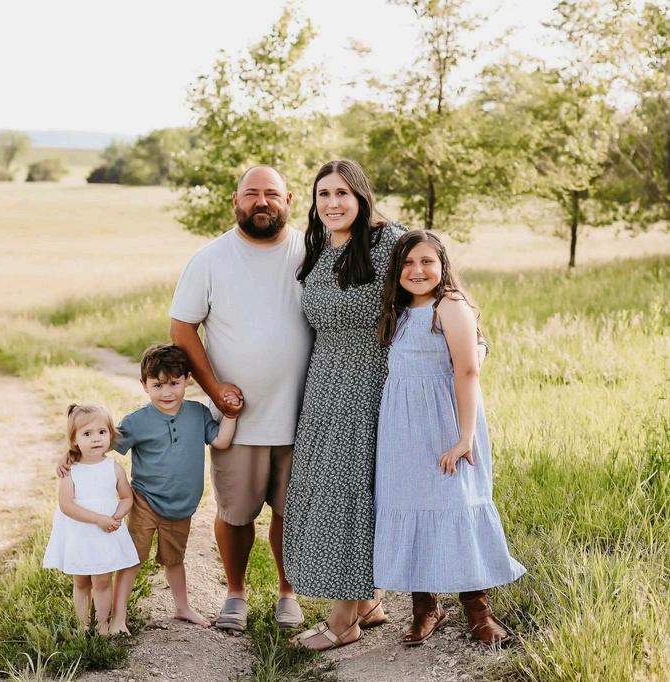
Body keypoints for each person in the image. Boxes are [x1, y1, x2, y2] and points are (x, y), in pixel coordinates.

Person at [170, 165, 313, 632]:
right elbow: (182, 329)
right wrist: (215, 390)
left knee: (292, 512)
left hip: (305, 413)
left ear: (289, 200)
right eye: (251, 193)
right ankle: (235, 593)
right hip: (239, 419)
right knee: (235, 513)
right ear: (236, 201)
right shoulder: (210, 259)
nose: (261, 202)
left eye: (271, 193)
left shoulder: (313, 253)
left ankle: (288, 593)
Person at [374, 230, 525, 646]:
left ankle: (479, 612)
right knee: (412, 506)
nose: (417, 270)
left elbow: (468, 369)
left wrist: (465, 437)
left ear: (443, 266)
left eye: (427, 261)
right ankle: (426, 608)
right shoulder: (399, 312)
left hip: (447, 423)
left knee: (455, 505)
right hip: (403, 431)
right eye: (408, 262)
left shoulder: (449, 305)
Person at [283, 159, 405, 651]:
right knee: (327, 488)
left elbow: (438, 283)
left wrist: (470, 341)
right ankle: (370, 602)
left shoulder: (388, 242)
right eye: (323, 194)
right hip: (323, 384)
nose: (332, 203)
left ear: (361, 196)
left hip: (369, 381)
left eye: (342, 193)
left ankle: (342, 622)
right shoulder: (319, 247)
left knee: (349, 492)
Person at [57, 345, 238, 634]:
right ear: (144, 385)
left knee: (174, 559)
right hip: (145, 501)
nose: (167, 392)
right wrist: (71, 454)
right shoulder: (137, 421)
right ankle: (118, 618)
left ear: (187, 380)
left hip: (182, 505)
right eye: (157, 385)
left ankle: (182, 607)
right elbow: (101, 444)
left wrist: (230, 414)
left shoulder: (198, 413)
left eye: (174, 383)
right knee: (131, 559)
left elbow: (221, 441)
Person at [44, 403, 139, 635]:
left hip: (105, 532)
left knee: (103, 580)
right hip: (80, 533)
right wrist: (98, 519)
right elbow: (66, 505)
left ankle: (103, 625)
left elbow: (127, 497)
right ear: (74, 440)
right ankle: (82, 624)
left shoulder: (114, 468)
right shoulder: (71, 470)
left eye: (102, 432)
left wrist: (116, 516)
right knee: (81, 581)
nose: (96, 438)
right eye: (87, 434)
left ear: (110, 434)